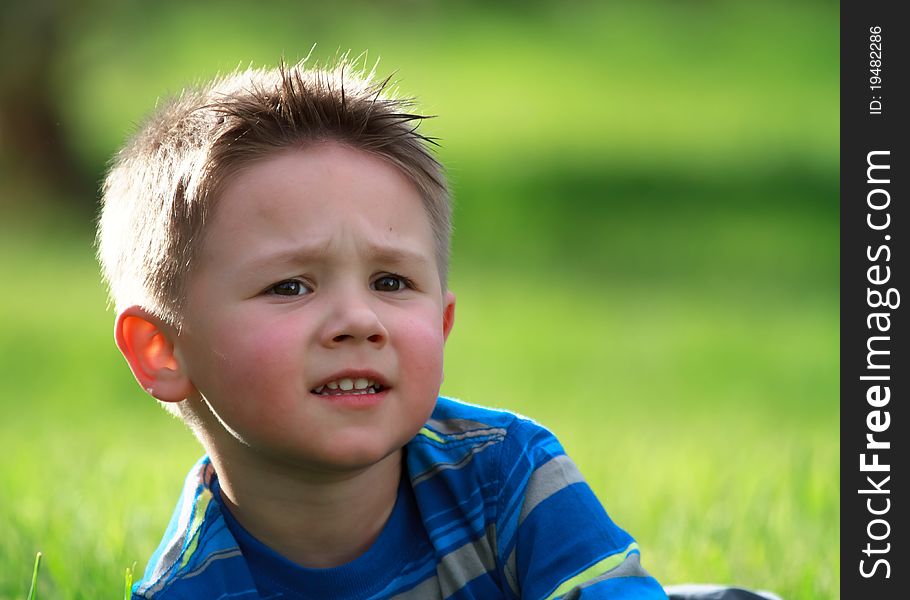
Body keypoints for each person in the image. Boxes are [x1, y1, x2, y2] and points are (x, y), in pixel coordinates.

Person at [97, 59, 668, 599]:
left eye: (391, 282)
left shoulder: (504, 476)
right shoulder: (192, 586)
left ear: (441, 324)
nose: (359, 321)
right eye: (291, 286)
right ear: (162, 350)